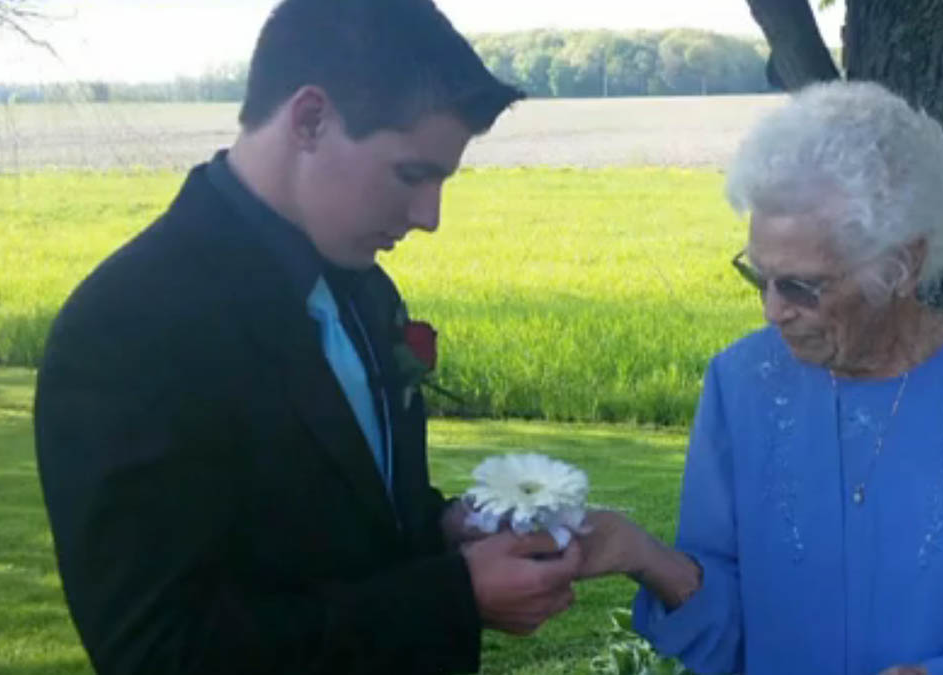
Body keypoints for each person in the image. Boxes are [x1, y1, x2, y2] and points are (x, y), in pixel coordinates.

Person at [33, 1, 582, 672]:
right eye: (412, 174)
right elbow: (159, 649)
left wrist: (441, 532)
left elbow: (348, 519)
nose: (429, 215)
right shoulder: (129, 323)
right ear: (310, 119)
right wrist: (453, 593)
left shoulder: (366, 288)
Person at [577, 81, 943, 674]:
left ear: (903, 265)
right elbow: (728, 641)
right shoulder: (740, 383)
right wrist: (643, 556)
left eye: (802, 285)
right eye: (760, 278)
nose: (773, 310)